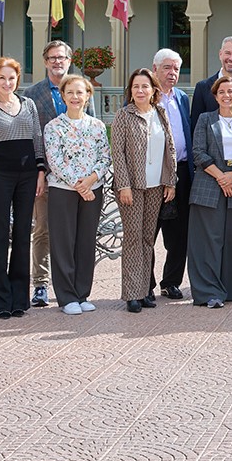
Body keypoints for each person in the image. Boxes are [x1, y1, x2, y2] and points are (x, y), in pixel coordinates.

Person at [0, 56, 46, 319]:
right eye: (1, 77)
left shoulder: (29, 104)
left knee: (23, 234)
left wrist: (40, 172)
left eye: (11, 78)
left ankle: (18, 299)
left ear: (17, 79)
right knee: (0, 236)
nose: (7, 82)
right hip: (1, 177)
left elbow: (37, 140)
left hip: (28, 177)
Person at [23, 40, 93, 307]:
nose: (57, 62)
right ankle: (40, 284)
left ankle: (75, 287)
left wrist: (85, 181)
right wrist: (40, 171)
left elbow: (92, 131)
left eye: (61, 57)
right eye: (52, 58)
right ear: (45, 61)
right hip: (47, 174)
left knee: (76, 233)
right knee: (42, 229)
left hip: (81, 183)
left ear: (69, 59)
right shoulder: (32, 94)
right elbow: (32, 136)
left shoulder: (82, 88)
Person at [111, 68, 178, 313]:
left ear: (153, 90)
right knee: (133, 239)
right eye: (136, 86)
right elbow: (117, 153)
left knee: (148, 239)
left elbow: (169, 149)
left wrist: (170, 181)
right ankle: (132, 294)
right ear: (130, 91)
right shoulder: (123, 115)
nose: (140, 90)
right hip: (132, 187)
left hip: (156, 186)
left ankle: (145, 290)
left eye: (145, 86)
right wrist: (123, 185)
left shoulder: (160, 113)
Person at [43, 74, 110, 316]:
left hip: (93, 190)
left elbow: (105, 157)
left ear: (88, 95)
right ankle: (67, 296)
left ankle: (82, 293)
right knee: (63, 242)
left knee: (85, 241)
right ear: (62, 95)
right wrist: (79, 186)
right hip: (64, 191)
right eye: (70, 92)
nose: (75, 97)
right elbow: (55, 161)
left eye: (80, 92)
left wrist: (91, 181)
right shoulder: (53, 127)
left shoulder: (97, 126)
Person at [189, 76, 232, 308]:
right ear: (215, 97)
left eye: (231, 91)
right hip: (208, 185)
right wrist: (221, 177)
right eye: (221, 92)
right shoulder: (205, 120)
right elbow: (198, 152)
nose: (226, 95)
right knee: (208, 241)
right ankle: (209, 293)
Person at [151, 48, 194, 301]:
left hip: (182, 173)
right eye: (167, 68)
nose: (172, 73)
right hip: (154, 176)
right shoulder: (144, 96)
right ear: (154, 69)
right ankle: (146, 284)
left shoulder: (181, 98)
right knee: (149, 232)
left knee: (179, 235)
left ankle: (171, 282)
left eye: (176, 69)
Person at [190, 36, 232, 119]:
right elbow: (196, 125)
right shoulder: (202, 87)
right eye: (227, 53)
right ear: (220, 54)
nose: (231, 58)